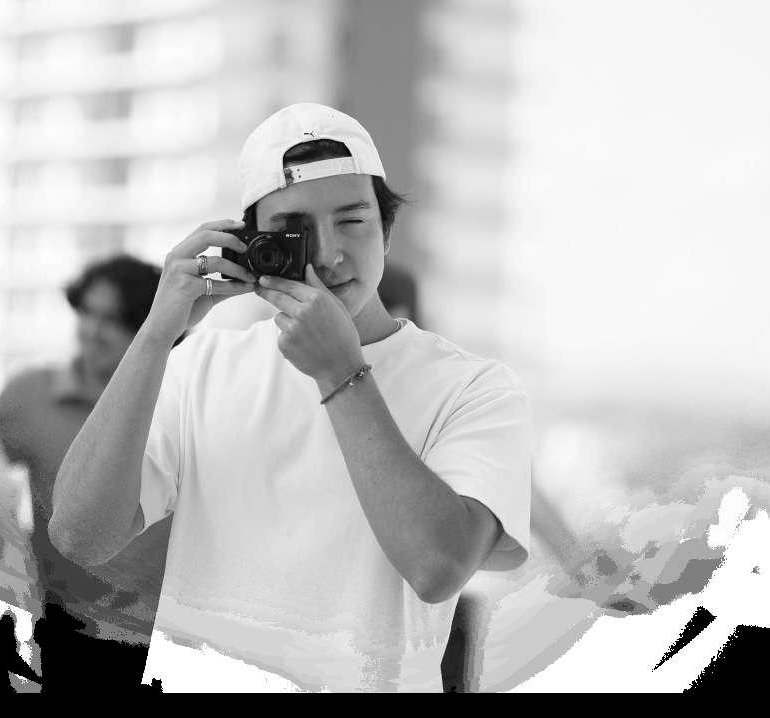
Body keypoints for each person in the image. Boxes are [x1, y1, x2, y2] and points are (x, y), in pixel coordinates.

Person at [49, 103, 533, 692]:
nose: (328, 255)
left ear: (387, 231)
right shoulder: (202, 363)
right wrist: (156, 333)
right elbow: (80, 536)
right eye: (295, 229)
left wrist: (341, 374)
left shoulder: (475, 389)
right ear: (253, 244)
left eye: (352, 221)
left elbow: (438, 568)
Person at [0, 254, 172, 692]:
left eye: (112, 320)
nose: (91, 330)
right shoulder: (31, 395)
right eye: (87, 312)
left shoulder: (180, 404)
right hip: (60, 633)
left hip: (163, 641)